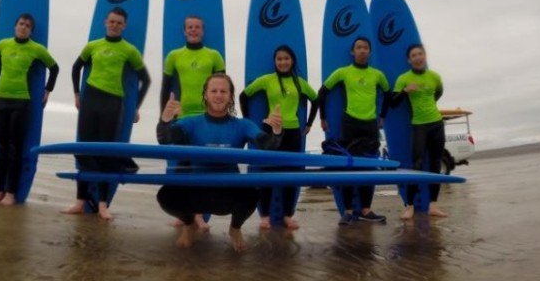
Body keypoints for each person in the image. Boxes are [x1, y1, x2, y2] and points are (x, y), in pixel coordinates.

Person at [157, 73, 283, 251]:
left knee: (252, 194)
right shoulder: (191, 123)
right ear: (206, 95)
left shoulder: (243, 125)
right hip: (195, 191)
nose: (218, 95)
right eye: (213, 90)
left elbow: (268, 146)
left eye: (223, 91)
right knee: (165, 195)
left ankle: (235, 228)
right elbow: (164, 139)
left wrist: (277, 131)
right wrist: (165, 120)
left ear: (231, 96)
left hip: (227, 192)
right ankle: (189, 223)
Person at [67, 7, 152, 220]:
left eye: (119, 23)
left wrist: (135, 107)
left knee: (106, 153)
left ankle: (103, 205)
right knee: (84, 151)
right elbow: (76, 67)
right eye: (112, 21)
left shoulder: (129, 50)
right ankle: (80, 201)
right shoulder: (93, 46)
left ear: (124, 26)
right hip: (90, 100)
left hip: (113, 103)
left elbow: (146, 80)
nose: (114, 25)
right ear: (106, 22)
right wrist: (77, 94)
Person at [310, 36, 392, 224]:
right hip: (350, 124)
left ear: (370, 52)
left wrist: (383, 116)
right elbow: (322, 92)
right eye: (359, 47)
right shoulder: (343, 72)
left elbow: (388, 94)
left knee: (368, 168)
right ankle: (347, 211)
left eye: (365, 48)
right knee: (347, 166)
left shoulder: (377, 75)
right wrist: (323, 117)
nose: (362, 50)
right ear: (352, 52)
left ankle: (366, 209)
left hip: (370, 125)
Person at [158, 15, 227, 229]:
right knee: (182, 166)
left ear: (203, 31)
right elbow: (165, 87)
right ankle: (183, 214)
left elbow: (222, 89)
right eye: (190, 27)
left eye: (197, 27)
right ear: (184, 31)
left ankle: (198, 214)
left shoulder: (214, 55)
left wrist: (222, 115)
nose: (194, 30)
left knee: (203, 167)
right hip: (183, 117)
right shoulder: (174, 56)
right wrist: (164, 115)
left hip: (207, 117)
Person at [0, 13, 60, 206]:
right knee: (0, 147)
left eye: (27, 25)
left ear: (31, 30)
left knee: (14, 148)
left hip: (21, 102)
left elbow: (54, 67)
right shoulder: (3, 45)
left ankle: (10, 193)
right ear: (15, 26)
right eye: (21, 23)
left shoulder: (36, 49)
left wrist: (47, 90)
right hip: (0, 100)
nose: (23, 27)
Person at [240, 45, 317, 229]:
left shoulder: (299, 82)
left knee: (291, 175)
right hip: (270, 129)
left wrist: (309, 123)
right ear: (275, 62)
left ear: (292, 61)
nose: (283, 62)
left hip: (292, 133)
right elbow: (244, 95)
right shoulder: (267, 80)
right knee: (268, 173)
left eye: (286, 58)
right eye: (279, 59)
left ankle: (288, 215)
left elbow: (316, 99)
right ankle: (265, 216)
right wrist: (248, 121)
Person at [391, 44, 446, 220]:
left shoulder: (435, 77)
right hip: (419, 125)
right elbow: (393, 102)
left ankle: (433, 205)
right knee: (417, 164)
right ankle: (409, 206)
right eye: (413, 55)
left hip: (436, 123)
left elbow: (438, 93)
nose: (417, 57)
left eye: (420, 54)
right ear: (409, 60)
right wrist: (405, 91)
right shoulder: (404, 78)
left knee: (435, 164)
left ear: (425, 56)